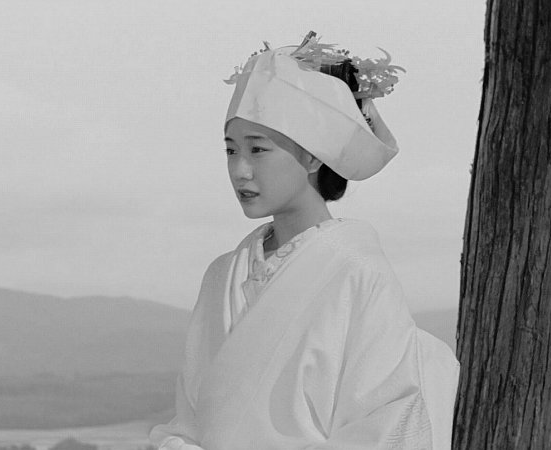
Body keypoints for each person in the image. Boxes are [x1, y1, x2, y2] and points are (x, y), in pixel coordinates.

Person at [149, 31, 459, 450]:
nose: (240, 170)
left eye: (258, 150)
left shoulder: (358, 273)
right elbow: (190, 420)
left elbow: (386, 423)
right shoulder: (222, 275)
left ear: (313, 156)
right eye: (230, 150)